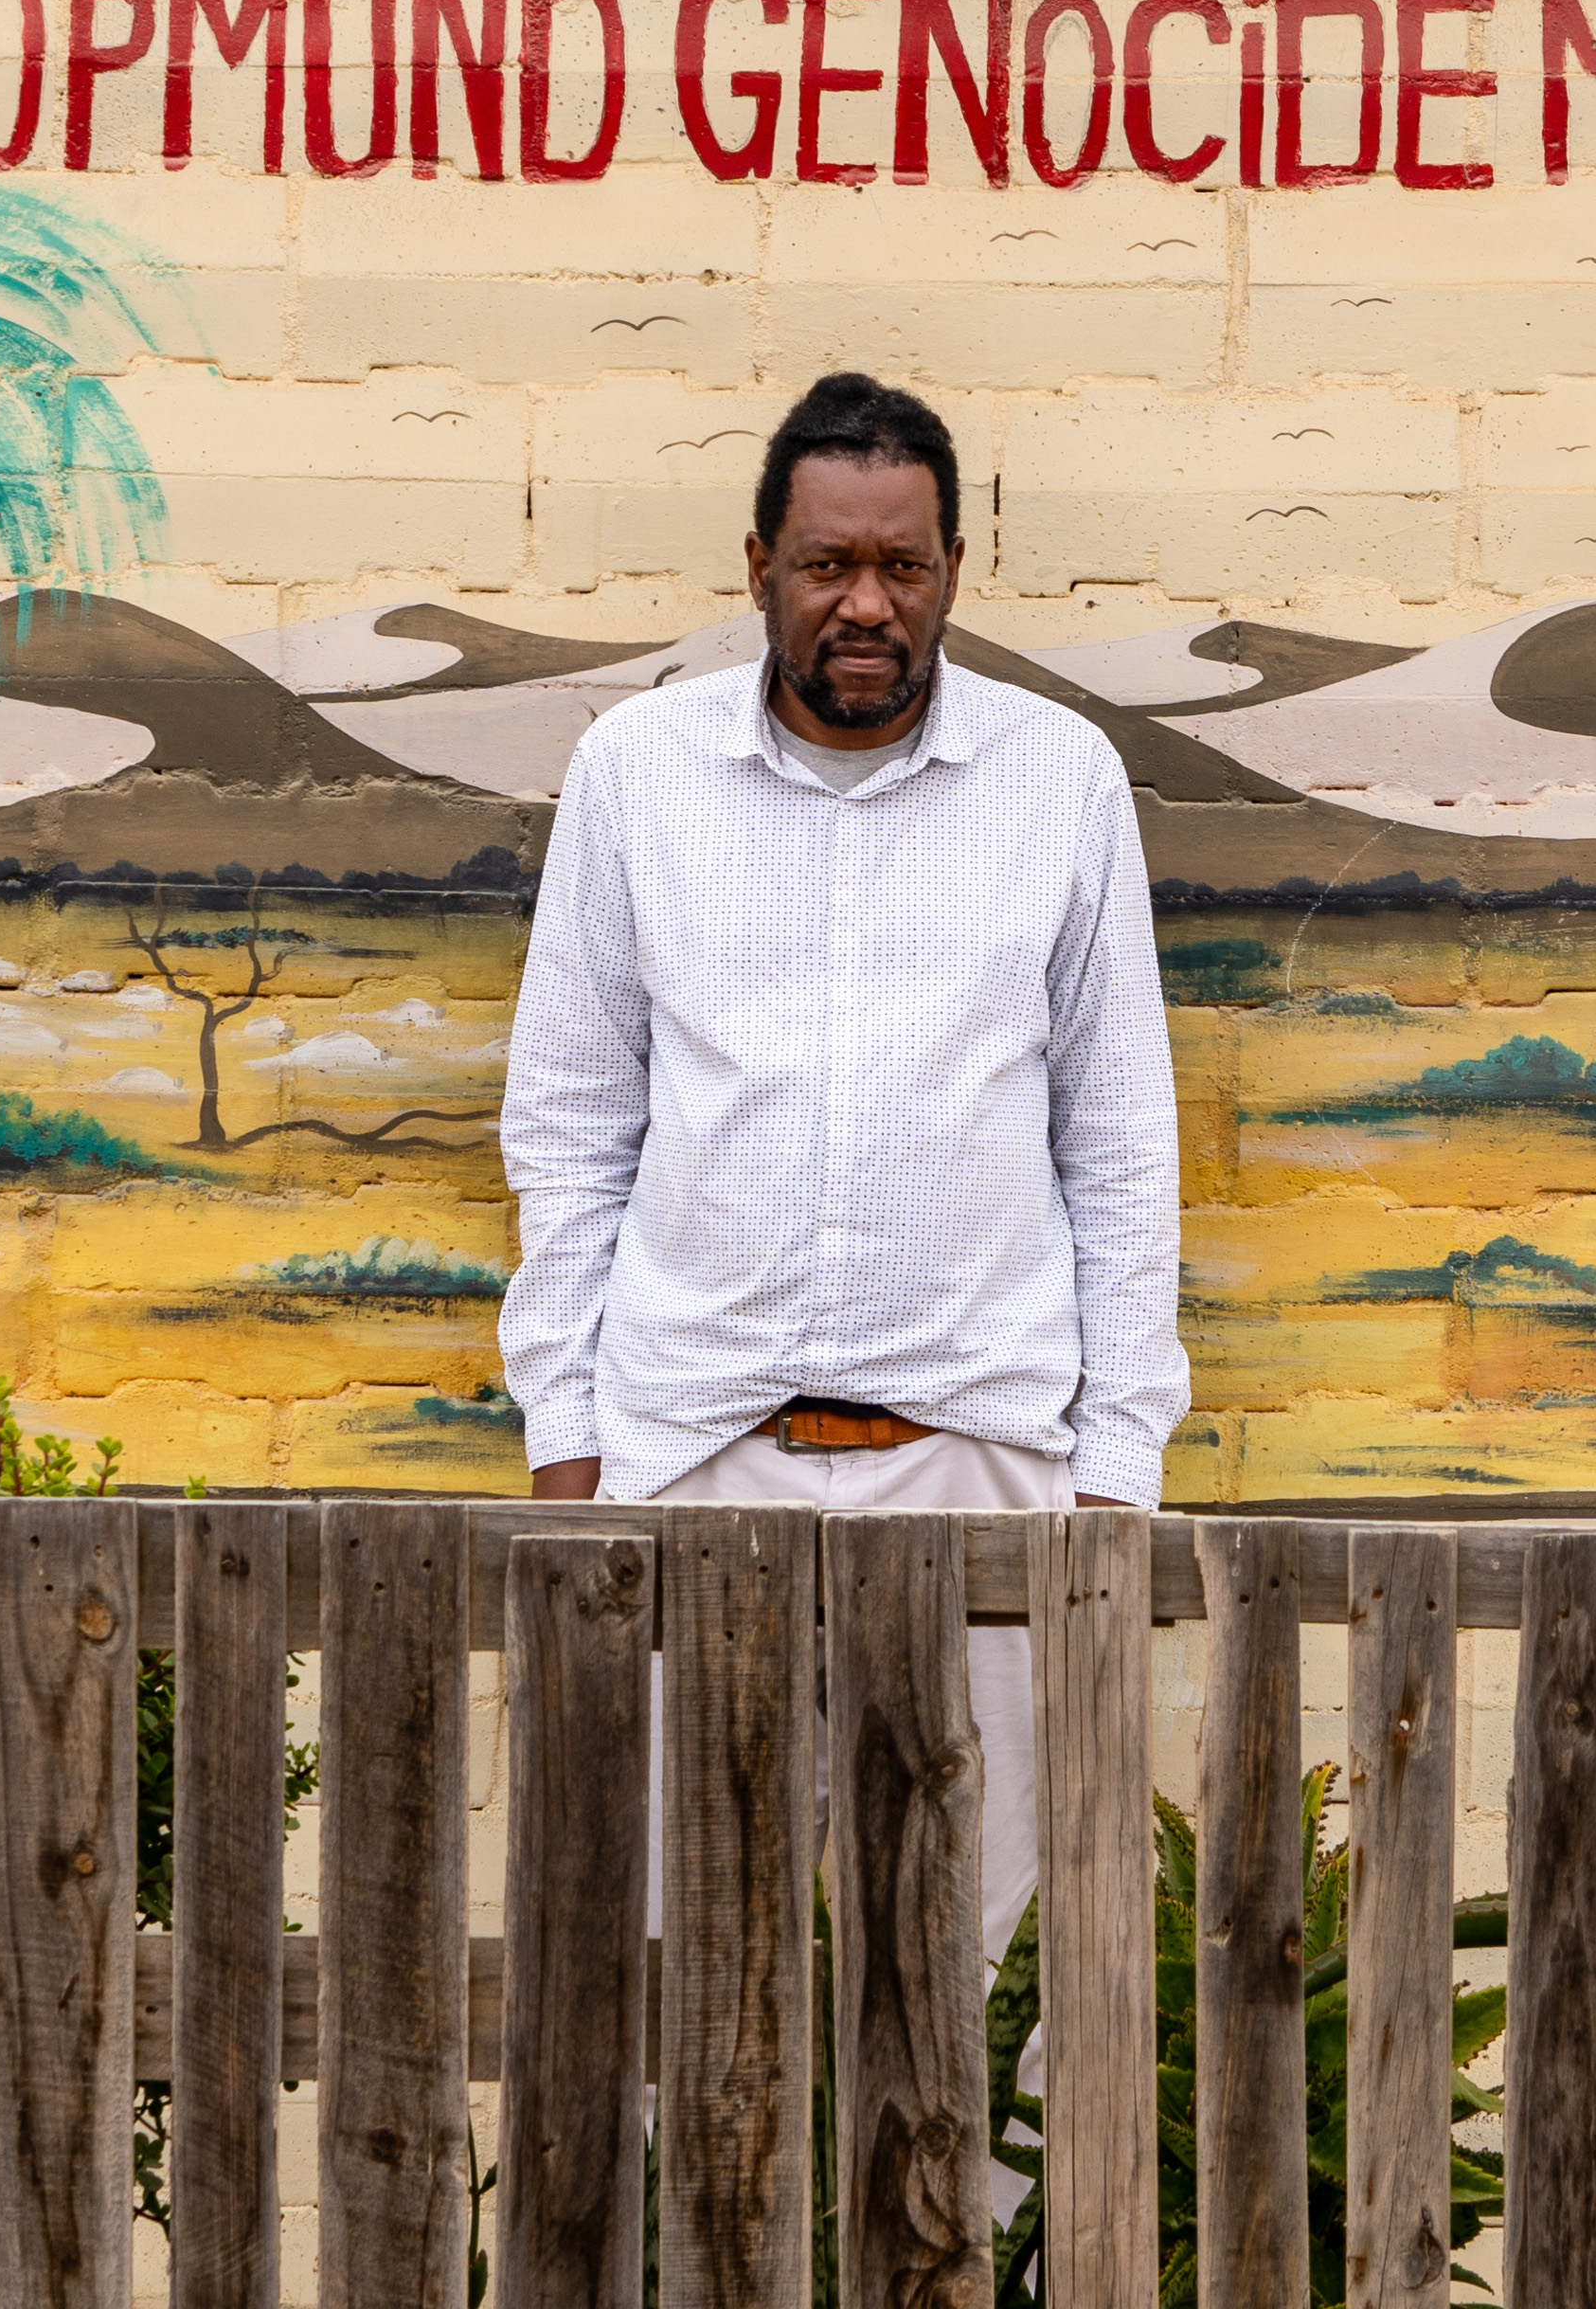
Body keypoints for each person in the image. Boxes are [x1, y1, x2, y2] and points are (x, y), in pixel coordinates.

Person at [496, 370, 1185, 1951]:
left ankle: (987, 2220)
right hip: (692, 1450)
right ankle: (683, 2218)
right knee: (672, 1961)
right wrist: (571, 1449)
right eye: (829, 567)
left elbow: (1123, 1143)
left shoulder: (1061, 781)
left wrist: (1111, 1481)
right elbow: (572, 1126)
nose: (865, 604)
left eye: (904, 567)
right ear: (758, 568)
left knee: (987, 1978)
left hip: (984, 1461)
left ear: (953, 572)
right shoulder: (636, 777)